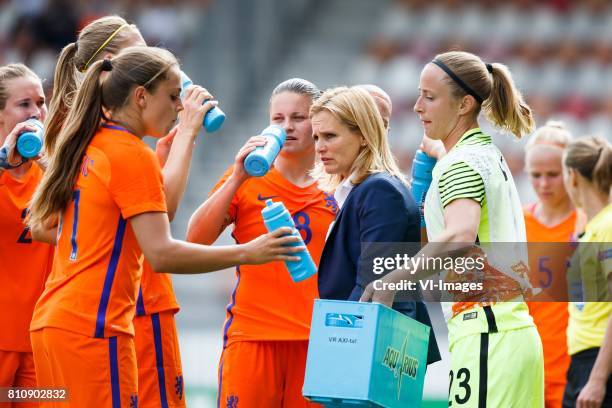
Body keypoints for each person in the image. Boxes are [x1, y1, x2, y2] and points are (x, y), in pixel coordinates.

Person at [27, 46, 301, 407]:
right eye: (173, 96)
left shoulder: (89, 142)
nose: (179, 106)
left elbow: (46, 227)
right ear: (141, 96)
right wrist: (249, 253)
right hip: (94, 327)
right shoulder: (130, 152)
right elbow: (161, 253)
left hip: (52, 323)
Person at [361, 50, 545, 407]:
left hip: (485, 335)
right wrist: (438, 150)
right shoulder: (484, 152)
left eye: (429, 97)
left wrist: (391, 282)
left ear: (463, 105)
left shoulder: (459, 164)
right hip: (510, 334)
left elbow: (461, 235)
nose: (417, 107)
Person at [44, 15, 204, 407]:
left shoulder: (91, 131)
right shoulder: (116, 138)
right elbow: (161, 218)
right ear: (114, 66)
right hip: (124, 306)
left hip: (76, 314)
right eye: (140, 49)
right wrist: (185, 135)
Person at [187, 78, 336, 408]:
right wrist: (239, 176)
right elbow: (196, 238)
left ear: (320, 120)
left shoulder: (339, 184)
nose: (288, 127)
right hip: (252, 336)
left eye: (299, 117)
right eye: (278, 119)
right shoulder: (246, 176)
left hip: (318, 340)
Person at [311, 86, 440, 365]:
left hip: (373, 352)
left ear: (364, 136)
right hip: (370, 346)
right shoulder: (365, 189)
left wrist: (335, 353)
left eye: (330, 136)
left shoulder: (379, 191)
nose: (320, 146)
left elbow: (370, 288)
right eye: (317, 137)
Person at [0, 63, 53, 408]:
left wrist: (52, 167)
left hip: (42, 341)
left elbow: (91, 219)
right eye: (24, 104)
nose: (36, 112)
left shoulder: (55, 171)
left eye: (41, 102)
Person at [523, 121, 577, 408]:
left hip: (576, 372)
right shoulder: (517, 225)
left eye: (553, 175)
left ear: (571, 172)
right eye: (536, 175)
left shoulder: (588, 226)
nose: (544, 184)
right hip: (527, 368)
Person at [562, 136, 612, 408]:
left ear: (572, 176)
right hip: (583, 362)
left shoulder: (607, 226)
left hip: (598, 364)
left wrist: (597, 379)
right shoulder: (592, 228)